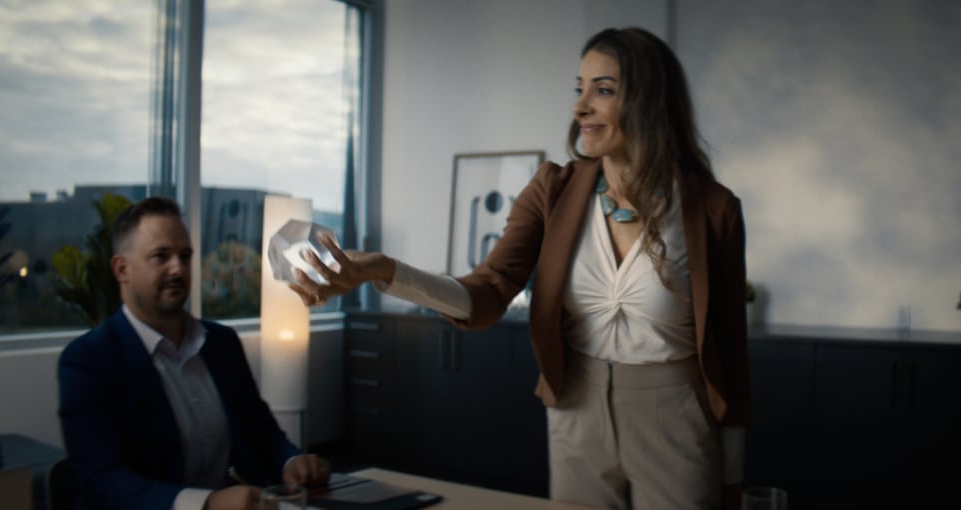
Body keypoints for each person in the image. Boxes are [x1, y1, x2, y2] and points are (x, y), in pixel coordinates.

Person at [290, 27, 750, 509]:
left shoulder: (713, 210)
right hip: (575, 405)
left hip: (676, 414)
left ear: (651, 102)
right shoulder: (553, 190)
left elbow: (733, 356)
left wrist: (733, 480)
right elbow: (487, 292)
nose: (581, 107)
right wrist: (384, 271)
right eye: (579, 88)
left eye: (604, 90)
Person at [58, 197, 331, 510]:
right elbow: (101, 481)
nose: (177, 268)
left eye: (184, 256)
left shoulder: (221, 343)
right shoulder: (89, 360)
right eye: (161, 256)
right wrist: (206, 504)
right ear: (122, 269)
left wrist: (291, 462)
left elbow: (260, 431)